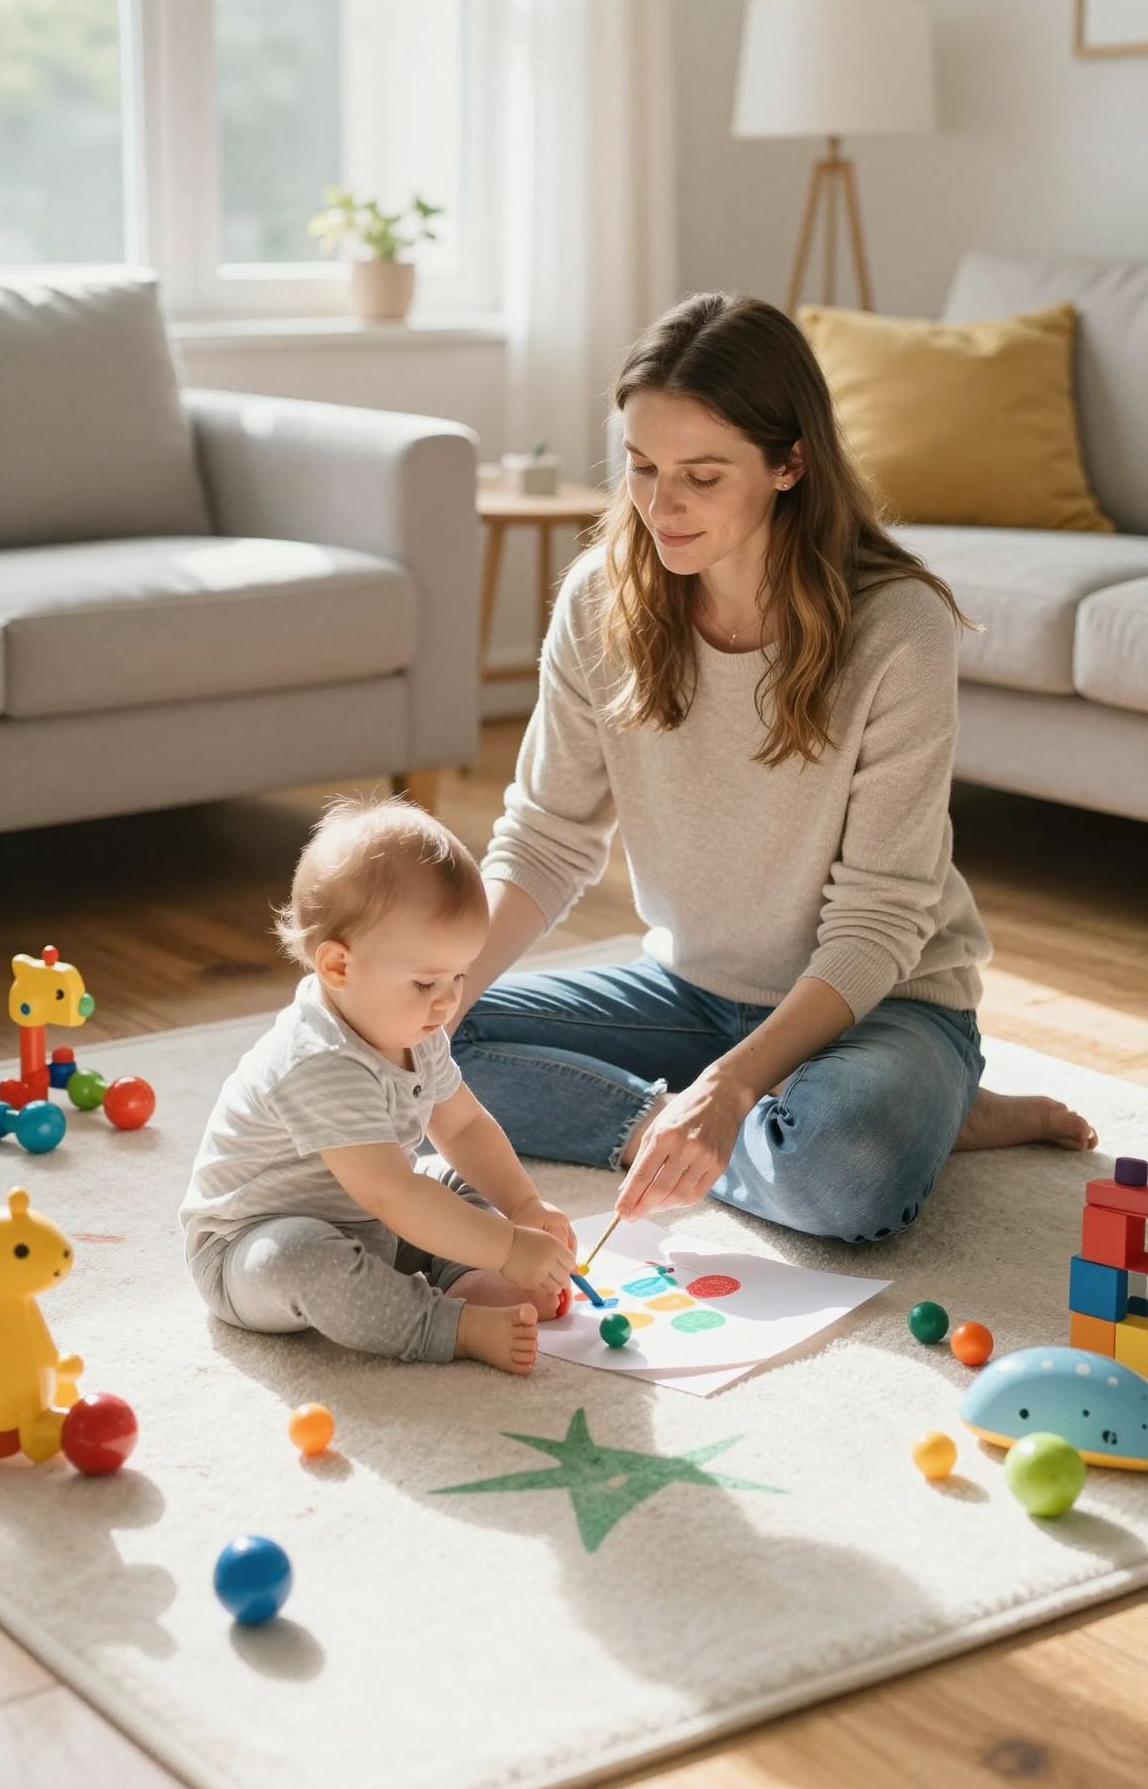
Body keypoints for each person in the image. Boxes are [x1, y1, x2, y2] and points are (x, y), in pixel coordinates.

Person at [451, 294, 1096, 1242]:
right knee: (427, 1046)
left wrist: (731, 1086)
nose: (660, 508)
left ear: (790, 463)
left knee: (839, 1174)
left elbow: (880, 919)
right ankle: (679, 1126)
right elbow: (546, 839)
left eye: (701, 478)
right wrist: (430, 998)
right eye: (641, 468)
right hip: (691, 993)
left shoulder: (899, 629)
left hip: (883, 1004)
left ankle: (907, 1104)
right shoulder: (601, 600)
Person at [181, 799, 575, 1377]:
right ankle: (448, 1325)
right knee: (306, 1256)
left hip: (367, 1220)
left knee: (444, 1179)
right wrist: (509, 1247)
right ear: (338, 967)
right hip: (249, 1250)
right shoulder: (316, 1059)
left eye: (459, 975)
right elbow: (389, 1194)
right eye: (424, 981)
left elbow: (462, 1125)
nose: (447, 1001)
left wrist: (522, 1206)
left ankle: (463, 1279)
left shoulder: (418, 1025)